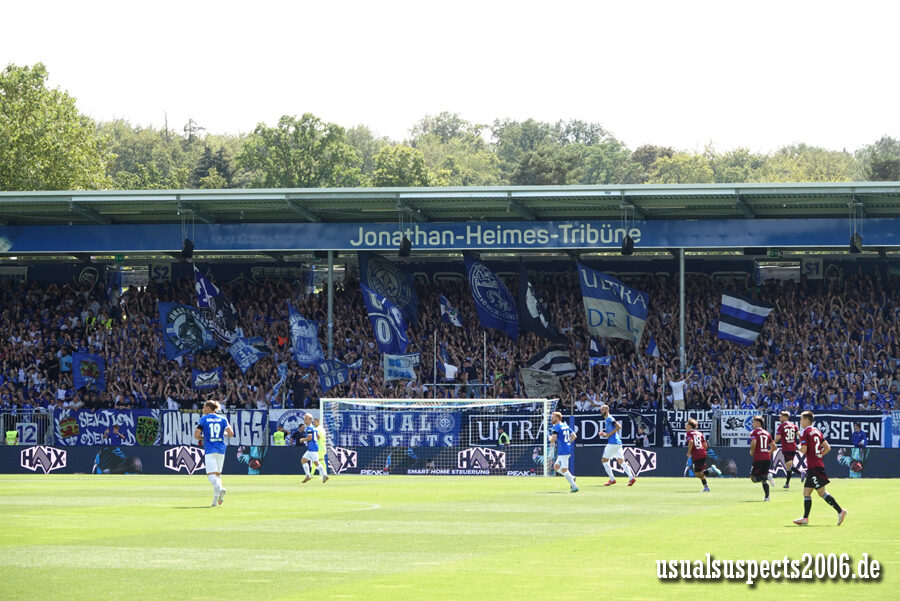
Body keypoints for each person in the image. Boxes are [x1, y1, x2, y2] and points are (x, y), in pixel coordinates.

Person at [793, 411, 847, 526]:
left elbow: (803, 450)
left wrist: (797, 447)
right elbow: (827, 447)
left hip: (814, 467)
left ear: (807, 420)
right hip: (815, 465)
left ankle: (840, 511)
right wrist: (819, 454)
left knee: (822, 493)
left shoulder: (805, 432)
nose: (800, 421)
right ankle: (805, 518)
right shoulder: (817, 431)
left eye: (801, 419)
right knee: (806, 492)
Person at [194, 400, 234, 507]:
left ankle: (221, 489)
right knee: (217, 476)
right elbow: (231, 434)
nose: (203, 409)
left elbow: (196, 435)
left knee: (210, 475)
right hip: (221, 449)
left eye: (204, 407)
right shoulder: (223, 419)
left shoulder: (203, 419)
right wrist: (222, 434)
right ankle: (214, 502)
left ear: (208, 408)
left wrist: (205, 438)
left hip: (210, 449)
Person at [598, 404, 636, 486]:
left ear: (607, 410)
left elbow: (619, 426)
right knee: (621, 462)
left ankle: (612, 479)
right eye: (601, 409)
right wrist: (604, 434)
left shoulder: (609, 418)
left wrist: (608, 434)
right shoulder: (607, 419)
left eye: (602, 409)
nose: (601, 411)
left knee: (604, 460)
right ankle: (631, 478)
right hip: (618, 443)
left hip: (613, 443)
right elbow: (610, 433)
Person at [549, 411, 578, 493]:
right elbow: (574, 436)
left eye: (553, 417)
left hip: (563, 450)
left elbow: (553, 439)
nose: (551, 418)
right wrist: (568, 443)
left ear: (557, 418)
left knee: (564, 470)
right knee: (556, 467)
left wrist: (550, 438)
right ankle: (571, 477)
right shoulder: (565, 425)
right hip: (566, 449)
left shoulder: (556, 427)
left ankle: (574, 486)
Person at [748, 416, 776, 501]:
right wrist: (768, 453)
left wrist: (752, 450)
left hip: (758, 458)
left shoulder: (754, 432)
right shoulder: (766, 433)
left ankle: (767, 476)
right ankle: (767, 497)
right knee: (763, 479)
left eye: (753, 422)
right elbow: (774, 447)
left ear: (758, 423)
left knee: (753, 478)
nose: (752, 424)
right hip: (766, 458)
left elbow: (754, 442)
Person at [299, 413, 328, 484]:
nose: (304, 420)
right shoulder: (314, 428)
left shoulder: (309, 428)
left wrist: (303, 439)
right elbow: (318, 436)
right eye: (304, 419)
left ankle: (324, 475)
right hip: (312, 448)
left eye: (306, 419)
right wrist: (314, 442)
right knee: (303, 460)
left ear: (310, 419)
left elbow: (309, 438)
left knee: (316, 463)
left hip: (312, 448)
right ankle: (308, 475)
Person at [775, 410, 800, 489]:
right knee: (789, 467)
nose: (779, 418)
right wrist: (801, 443)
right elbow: (799, 435)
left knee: (788, 465)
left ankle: (802, 473)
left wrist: (772, 443)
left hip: (786, 448)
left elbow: (778, 437)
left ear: (785, 417)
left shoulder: (781, 426)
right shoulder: (794, 425)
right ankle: (787, 483)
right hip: (793, 447)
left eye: (781, 417)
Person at [685, 418, 710, 492]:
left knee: (697, 474)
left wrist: (689, 452)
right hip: (703, 453)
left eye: (687, 425)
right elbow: (705, 445)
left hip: (697, 455)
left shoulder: (689, 433)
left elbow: (691, 442)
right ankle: (706, 487)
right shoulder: (699, 433)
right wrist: (701, 450)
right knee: (701, 473)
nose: (686, 427)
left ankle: (711, 470)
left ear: (690, 426)